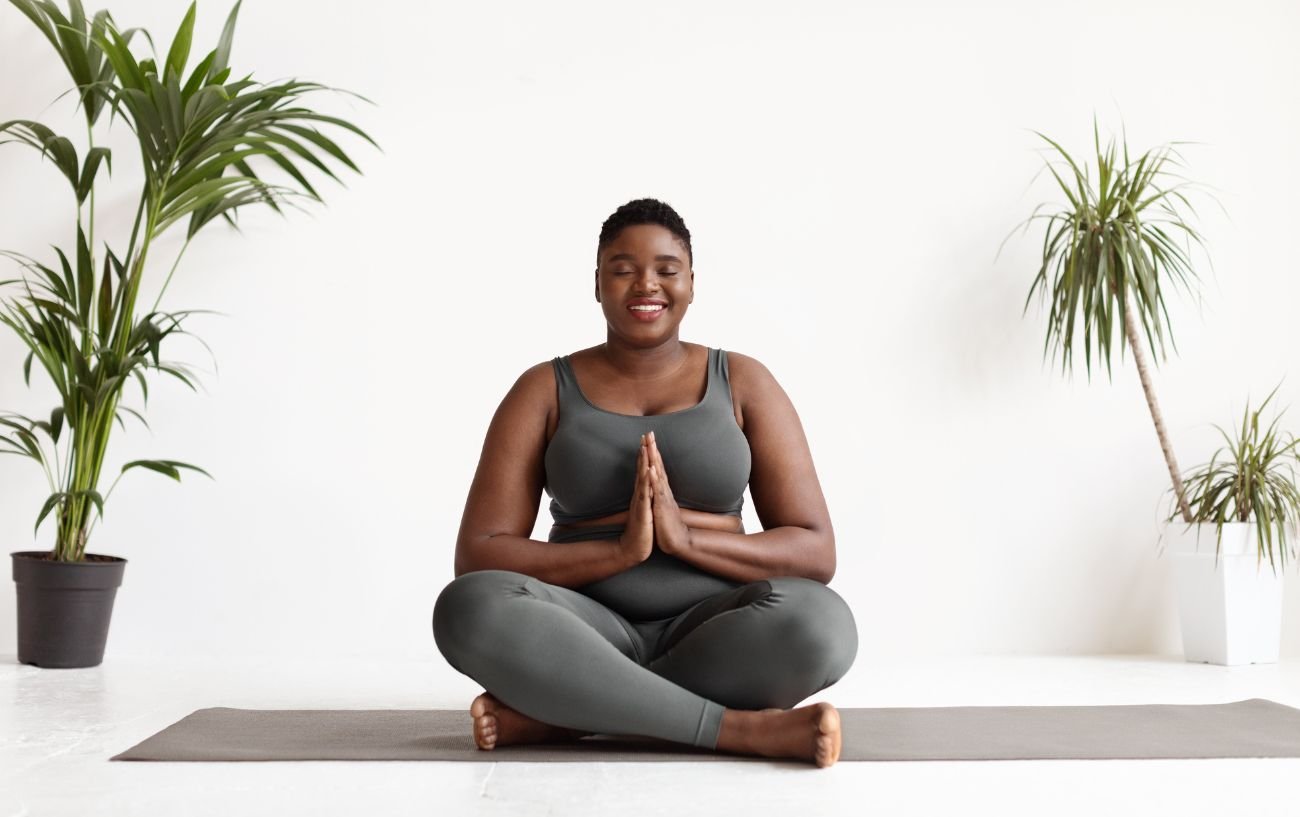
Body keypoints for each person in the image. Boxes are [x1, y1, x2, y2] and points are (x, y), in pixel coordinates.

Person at [432, 198, 858, 767]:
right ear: (598, 283)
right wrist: (618, 552)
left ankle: (571, 716)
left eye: (665, 268)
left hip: (719, 627)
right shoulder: (543, 389)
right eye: (623, 269)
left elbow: (814, 550)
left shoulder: (744, 381)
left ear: (690, 282)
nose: (645, 285)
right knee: (469, 606)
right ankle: (739, 732)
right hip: (580, 629)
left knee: (822, 625)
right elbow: (480, 554)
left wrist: (685, 540)